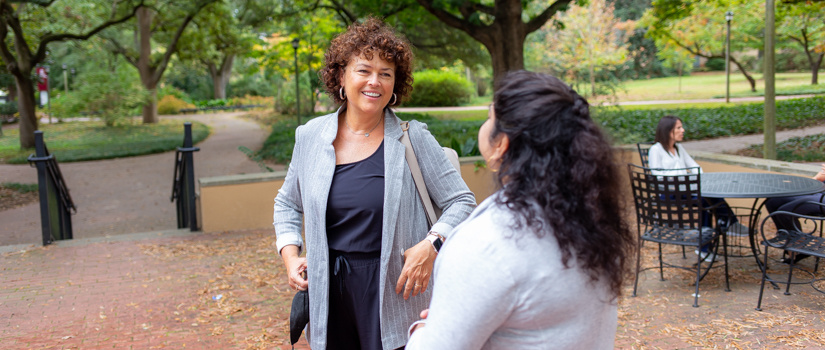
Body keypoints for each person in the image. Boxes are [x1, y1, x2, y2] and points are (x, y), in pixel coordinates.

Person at [273, 18, 476, 350]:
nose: (375, 82)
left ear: (396, 83)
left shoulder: (413, 137)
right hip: (330, 292)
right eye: (364, 70)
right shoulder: (310, 137)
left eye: (386, 73)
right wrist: (291, 255)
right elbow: (286, 203)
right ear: (341, 75)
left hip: (395, 291)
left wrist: (431, 245)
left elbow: (463, 202)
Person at [406, 71, 635, 349]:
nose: (485, 124)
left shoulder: (488, 243)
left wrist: (425, 329)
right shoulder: (592, 222)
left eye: (489, 117)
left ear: (501, 143)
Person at [648, 116, 749, 261]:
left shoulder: (679, 148)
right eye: (678, 128)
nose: (683, 130)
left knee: (708, 198)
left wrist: (698, 176)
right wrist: (682, 176)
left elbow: (695, 167)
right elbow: (657, 175)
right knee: (705, 200)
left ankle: (711, 241)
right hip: (668, 194)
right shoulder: (656, 150)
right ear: (668, 130)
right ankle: (728, 225)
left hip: (685, 190)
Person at [764, 163, 825, 264]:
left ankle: (798, 245)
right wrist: (818, 178)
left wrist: (819, 178)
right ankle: (791, 240)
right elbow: (819, 180)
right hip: (820, 192)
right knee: (773, 201)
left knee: (784, 212)